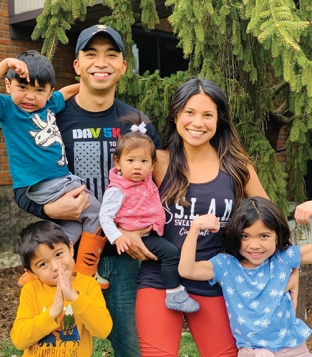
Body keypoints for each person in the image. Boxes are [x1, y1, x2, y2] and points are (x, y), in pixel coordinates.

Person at [14, 24, 161, 357]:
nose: (101, 62)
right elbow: (23, 186)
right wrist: (48, 210)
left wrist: (147, 226)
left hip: (122, 258)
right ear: (77, 65)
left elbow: (158, 185)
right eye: (90, 54)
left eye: (112, 54)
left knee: (129, 344)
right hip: (66, 264)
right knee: (66, 345)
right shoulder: (50, 116)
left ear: (124, 65)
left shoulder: (138, 122)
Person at [135, 77, 275, 357]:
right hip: (160, 279)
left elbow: (270, 223)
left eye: (207, 114)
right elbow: (119, 198)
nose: (198, 122)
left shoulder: (238, 168)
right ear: (175, 114)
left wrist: (287, 269)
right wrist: (126, 234)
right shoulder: (156, 162)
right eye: (189, 112)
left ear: (219, 119)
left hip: (214, 280)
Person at [0, 50, 109, 289]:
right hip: (43, 182)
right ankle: (86, 271)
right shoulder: (8, 109)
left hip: (58, 180)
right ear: (8, 85)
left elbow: (66, 92)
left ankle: (39, 269)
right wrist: (6, 63)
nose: (30, 97)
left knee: (72, 225)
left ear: (49, 91)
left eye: (39, 90)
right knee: (97, 212)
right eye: (23, 88)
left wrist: (89, 85)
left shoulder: (50, 104)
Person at [179, 196, 312, 356]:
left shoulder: (283, 257)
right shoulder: (226, 265)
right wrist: (195, 228)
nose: (254, 245)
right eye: (245, 236)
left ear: (278, 235)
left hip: (292, 351)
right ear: (235, 235)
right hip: (249, 353)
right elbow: (187, 270)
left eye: (264, 236)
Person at [99, 129, 199, 313]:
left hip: (148, 231)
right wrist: (117, 237)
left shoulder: (145, 180)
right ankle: (174, 293)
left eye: (143, 161)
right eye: (131, 160)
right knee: (171, 254)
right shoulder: (118, 189)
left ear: (152, 165)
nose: (137, 166)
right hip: (137, 236)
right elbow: (104, 216)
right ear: (117, 162)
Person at [11, 220, 112, 357]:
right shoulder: (31, 290)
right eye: (43, 264)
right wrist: (52, 313)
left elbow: (103, 330)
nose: (55, 267)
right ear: (31, 273)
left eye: (58, 254)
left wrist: (74, 298)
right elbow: (19, 341)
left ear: (71, 249)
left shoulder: (88, 285)